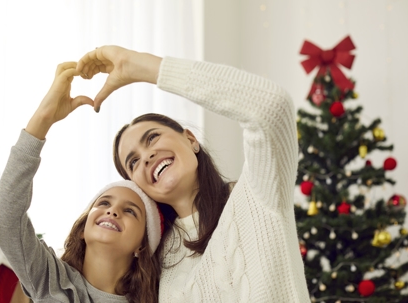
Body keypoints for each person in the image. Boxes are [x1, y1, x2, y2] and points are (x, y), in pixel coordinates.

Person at [76, 46, 310, 302]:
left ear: (191, 140)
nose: (146, 157)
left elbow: (272, 106)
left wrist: (141, 67)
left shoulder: (257, 193)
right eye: (133, 162)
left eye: (152, 138)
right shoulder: (155, 259)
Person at [0, 62, 162, 303]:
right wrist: (44, 118)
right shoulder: (50, 277)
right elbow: (5, 218)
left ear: (141, 246)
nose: (112, 211)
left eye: (130, 211)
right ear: (82, 230)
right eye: (103, 203)